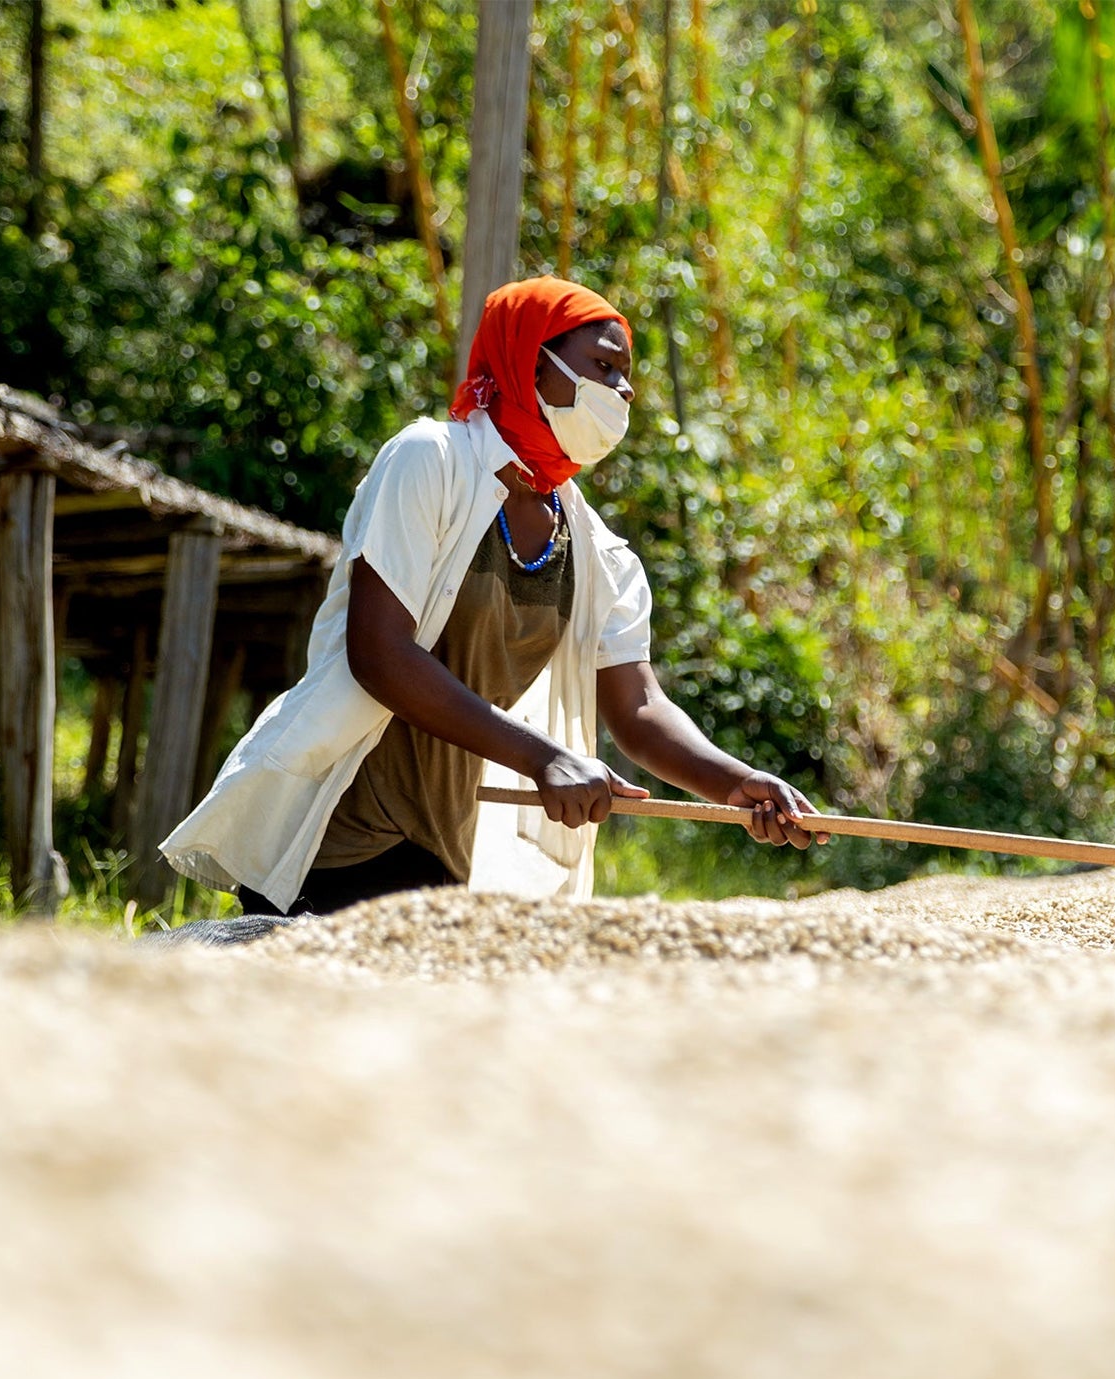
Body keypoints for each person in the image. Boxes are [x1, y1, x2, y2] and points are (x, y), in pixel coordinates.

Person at [162, 276, 824, 916]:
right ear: (529, 360)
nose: (621, 390)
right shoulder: (429, 461)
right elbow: (379, 653)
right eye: (602, 366)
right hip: (337, 835)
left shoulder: (597, 551)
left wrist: (734, 782)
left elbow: (639, 707)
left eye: (626, 377)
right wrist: (545, 757)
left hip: (439, 850)